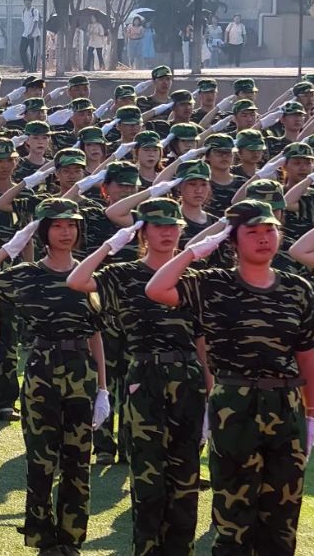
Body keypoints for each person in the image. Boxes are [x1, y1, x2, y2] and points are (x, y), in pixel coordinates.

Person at [145, 199, 314, 556]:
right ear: (232, 240)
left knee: (283, 516)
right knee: (234, 513)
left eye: (270, 229)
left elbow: (307, 354)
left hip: (285, 404)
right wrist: (192, 253)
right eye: (252, 232)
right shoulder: (213, 283)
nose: (263, 238)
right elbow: (157, 289)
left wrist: (312, 414)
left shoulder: (297, 287)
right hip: (235, 403)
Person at [66, 197, 208, 556]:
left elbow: (203, 339)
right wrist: (111, 245)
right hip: (144, 376)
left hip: (188, 375)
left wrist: (211, 392)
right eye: (157, 226)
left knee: (185, 478)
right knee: (148, 479)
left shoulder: (193, 279)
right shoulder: (122, 274)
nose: (166, 233)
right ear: (142, 232)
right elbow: (77, 279)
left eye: (172, 226)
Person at [0, 198, 107, 556]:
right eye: (57, 225)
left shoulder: (88, 276)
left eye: (72, 225)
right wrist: (11, 246)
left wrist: (103, 388)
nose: (66, 232)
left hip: (81, 371)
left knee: (78, 462)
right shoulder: (28, 275)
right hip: (43, 369)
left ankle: (71, 538)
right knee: (41, 461)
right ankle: (42, 537)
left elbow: (96, 334)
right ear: (43, 231)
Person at [20, 0, 41, 72]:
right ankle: (26, 66)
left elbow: (36, 22)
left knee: (33, 52)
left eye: (28, 2)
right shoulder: (24, 11)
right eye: (25, 2)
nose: (27, 3)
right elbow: (24, 23)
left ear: (31, 2)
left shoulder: (34, 10)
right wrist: (26, 32)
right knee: (22, 50)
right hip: (25, 35)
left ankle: (33, 69)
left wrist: (31, 33)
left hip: (34, 35)